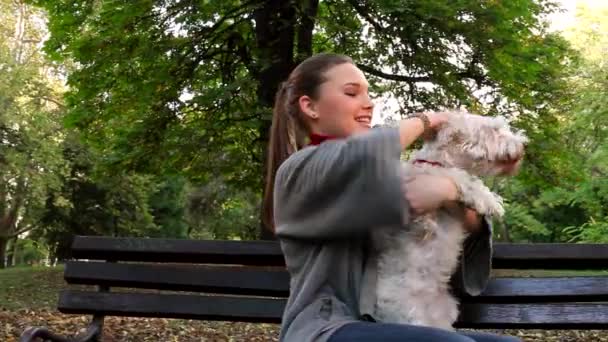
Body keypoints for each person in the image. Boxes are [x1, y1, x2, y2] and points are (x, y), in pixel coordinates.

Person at [262, 53, 520, 342]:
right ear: (310, 107)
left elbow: (466, 223)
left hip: (390, 319)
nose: (369, 102)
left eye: (369, 92)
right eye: (352, 92)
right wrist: (428, 120)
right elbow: (371, 161)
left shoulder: (377, 170)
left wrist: (450, 192)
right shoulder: (299, 170)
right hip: (326, 326)